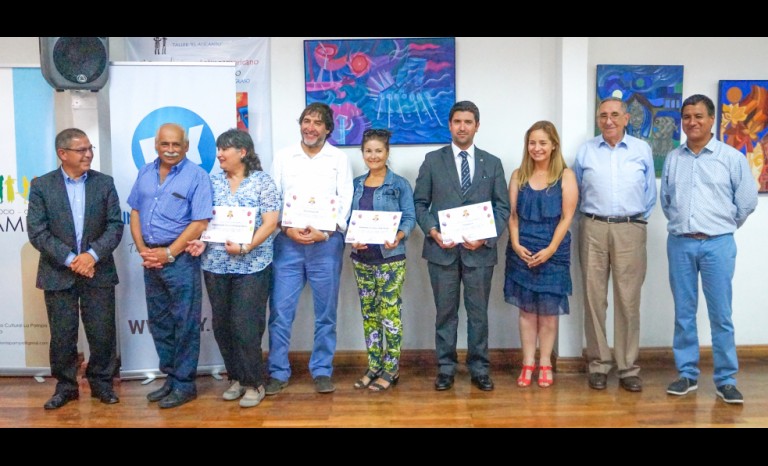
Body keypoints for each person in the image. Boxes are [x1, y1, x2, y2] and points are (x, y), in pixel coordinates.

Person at [661, 94, 757, 404]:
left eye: (698, 116)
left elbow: (746, 203)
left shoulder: (731, 158)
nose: (692, 122)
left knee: (721, 315)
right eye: (687, 116)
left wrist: (720, 227)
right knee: (684, 314)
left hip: (718, 244)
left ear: (711, 119)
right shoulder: (674, 158)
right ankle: (687, 374)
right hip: (680, 244)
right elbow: (667, 201)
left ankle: (726, 379)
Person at [413, 100, 510, 392]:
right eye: (457, 121)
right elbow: (420, 204)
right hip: (442, 251)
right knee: (445, 313)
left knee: (478, 313)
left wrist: (486, 236)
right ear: (450, 125)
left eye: (468, 122)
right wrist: (432, 229)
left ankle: (479, 368)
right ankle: (445, 368)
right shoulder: (432, 160)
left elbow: (502, 208)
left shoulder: (492, 163)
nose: (463, 126)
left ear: (477, 126)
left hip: (479, 252)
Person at [27, 128, 123, 410]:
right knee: (62, 335)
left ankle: (102, 384)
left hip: (98, 271)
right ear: (63, 154)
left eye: (89, 148)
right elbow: (37, 232)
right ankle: (66, 386)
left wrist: (91, 256)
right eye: (82, 150)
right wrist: (72, 260)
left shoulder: (105, 183)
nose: (89, 154)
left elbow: (115, 226)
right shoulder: (42, 186)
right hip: (58, 273)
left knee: (103, 332)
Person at [185, 129, 280, 408]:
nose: (219, 154)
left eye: (225, 149)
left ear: (243, 152)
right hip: (215, 264)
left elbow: (270, 223)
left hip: (252, 264)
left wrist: (246, 246)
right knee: (222, 325)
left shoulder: (263, 182)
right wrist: (201, 242)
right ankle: (236, 378)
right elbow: (205, 222)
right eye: (218, 149)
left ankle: (255, 382)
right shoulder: (211, 182)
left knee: (245, 325)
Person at [266, 102, 354, 395]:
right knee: (280, 311)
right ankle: (278, 371)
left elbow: (345, 199)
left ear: (328, 129)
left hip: (325, 244)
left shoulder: (339, 160)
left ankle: (322, 370)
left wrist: (327, 231)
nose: (310, 127)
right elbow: (272, 197)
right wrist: (286, 228)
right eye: (306, 121)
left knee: (326, 312)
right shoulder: (282, 157)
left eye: (318, 122)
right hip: (287, 243)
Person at [573, 96, 657, 393]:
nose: (608, 120)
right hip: (592, 227)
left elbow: (649, 194)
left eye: (614, 115)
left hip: (630, 229)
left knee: (628, 300)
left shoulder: (641, 150)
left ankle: (627, 367)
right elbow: (576, 191)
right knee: (594, 298)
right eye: (603, 115)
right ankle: (598, 364)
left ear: (626, 118)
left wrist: (633, 220)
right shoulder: (586, 152)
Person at [127, 122, 213, 409]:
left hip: (180, 260)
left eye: (177, 144)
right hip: (150, 259)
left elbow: (200, 221)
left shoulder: (197, 176)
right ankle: (171, 378)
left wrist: (169, 253)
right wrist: (143, 250)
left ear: (186, 146)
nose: (171, 149)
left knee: (185, 323)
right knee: (161, 322)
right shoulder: (145, 172)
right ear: (156, 145)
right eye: (165, 144)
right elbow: (135, 211)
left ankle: (185, 384)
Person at [505, 121, 577, 388]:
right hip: (522, 251)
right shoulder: (517, 175)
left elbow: (567, 217)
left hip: (553, 252)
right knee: (526, 312)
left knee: (548, 313)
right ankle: (527, 363)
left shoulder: (566, 176)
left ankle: (545, 362)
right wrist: (514, 243)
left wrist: (550, 249)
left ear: (553, 145)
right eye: (532, 143)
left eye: (542, 143)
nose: (537, 148)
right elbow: (512, 216)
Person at [348, 128, 416, 392]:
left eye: (378, 151)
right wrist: (353, 237)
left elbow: (409, 218)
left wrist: (398, 236)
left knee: (390, 315)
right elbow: (348, 219)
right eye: (368, 151)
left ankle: (391, 369)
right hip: (362, 259)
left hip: (390, 259)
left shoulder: (399, 184)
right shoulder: (355, 184)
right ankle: (374, 366)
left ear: (387, 153)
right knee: (370, 316)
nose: (373, 156)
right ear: (362, 153)